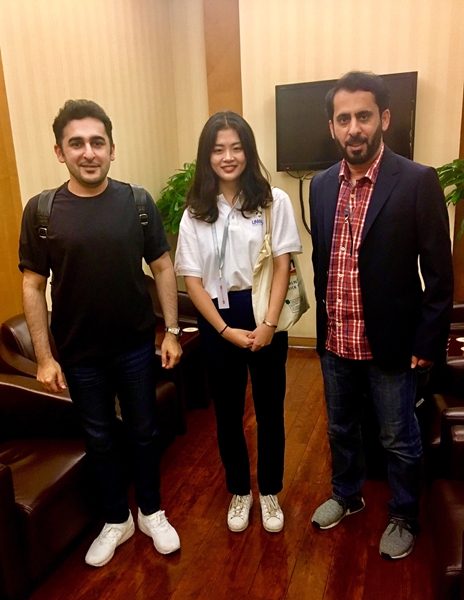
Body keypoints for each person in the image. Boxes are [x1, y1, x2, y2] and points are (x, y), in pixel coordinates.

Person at [19, 99, 182, 567]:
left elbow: (163, 267)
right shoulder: (42, 212)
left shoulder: (138, 203)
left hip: (135, 346)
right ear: (60, 152)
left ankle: (151, 511)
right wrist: (45, 358)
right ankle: (116, 519)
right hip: (78, 354)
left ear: (112, 148)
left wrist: (171, 331)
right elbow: (33, 286)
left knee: (144, 432)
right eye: (77, 143)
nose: (88, 152)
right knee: (99, 439)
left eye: (97, 142)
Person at [309, 71, 454, 559]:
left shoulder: (416, 181)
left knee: (398, 437)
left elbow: (439, 275)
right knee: (340, 428)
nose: (354, 128)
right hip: (336, 342)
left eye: (364, 116)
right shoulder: (321, 186)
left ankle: (405, 514)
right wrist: (323, 328)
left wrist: (427, 343)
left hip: (391, 344)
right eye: (343, 119)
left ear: (384, 118)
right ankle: (347, 494)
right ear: (332, 126)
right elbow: (324, 261)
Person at [175, 111, 302, 533]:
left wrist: (268, 324)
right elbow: (192, 281)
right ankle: (239, 492)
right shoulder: (195, 212)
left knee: (270, 410)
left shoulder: (273, 201)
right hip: (218, 318)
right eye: (218, 150)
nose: (228, 157)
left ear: (248, 151)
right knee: (227, 414)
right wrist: (224, 330)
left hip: (264, 309)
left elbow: (283, 266)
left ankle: (269, 491)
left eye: (236, 147)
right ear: (206, 156)